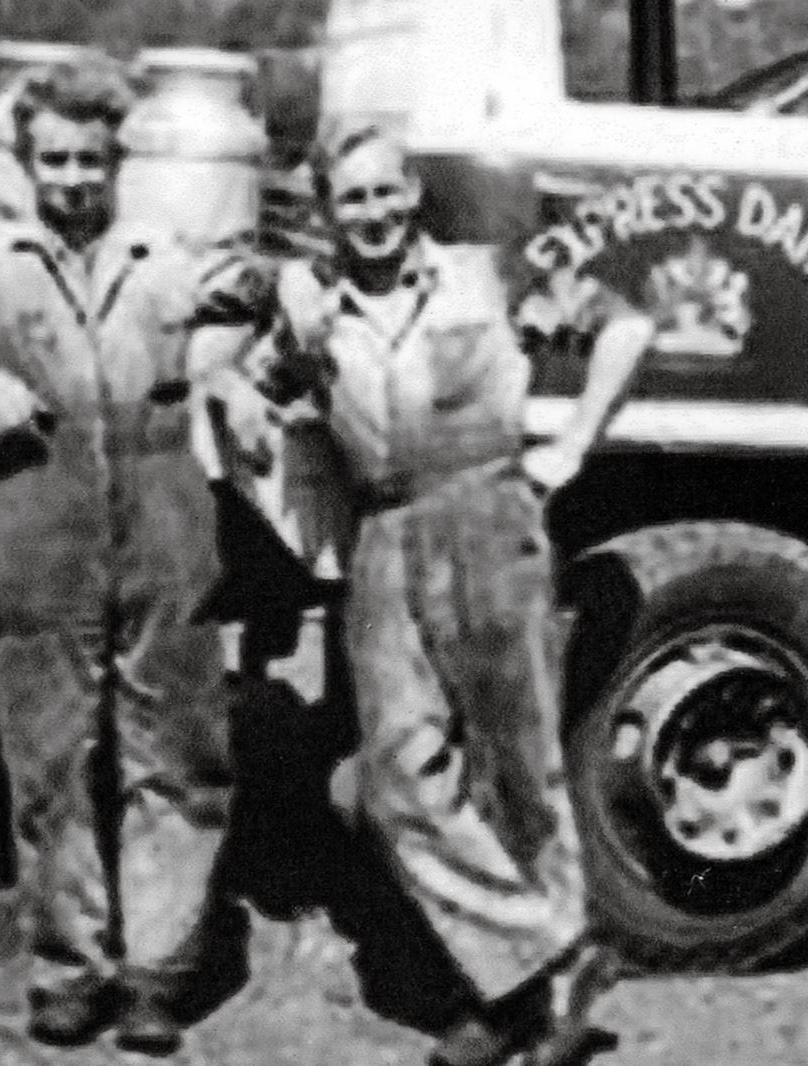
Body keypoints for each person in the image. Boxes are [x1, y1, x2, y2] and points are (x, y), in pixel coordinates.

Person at [237, 127, 656, 1066]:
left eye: (387, 194)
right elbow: (252, 379)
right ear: (327, 212)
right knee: (393, 779)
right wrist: (235, 391)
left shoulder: (487, 275)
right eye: (353, 200)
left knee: (518, 758)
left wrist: (576, 441)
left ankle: (520, 1006)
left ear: (414, 193)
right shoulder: (310, 310)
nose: (375, 215)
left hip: (488, 514)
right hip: (382, 532)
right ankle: (547, 956)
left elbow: (626, 327)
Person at [0, 61, 268, 1055]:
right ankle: (69, 965)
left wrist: (239, 381)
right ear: (29, 163)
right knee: (49, 754)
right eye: (56, 159)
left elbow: (259, 307)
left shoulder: (165, 257)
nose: (75, 177)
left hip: (164, 510)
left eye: (91, 158)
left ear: (118, 162)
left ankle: (158, 971)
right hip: (43, 510)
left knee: (180, 749)